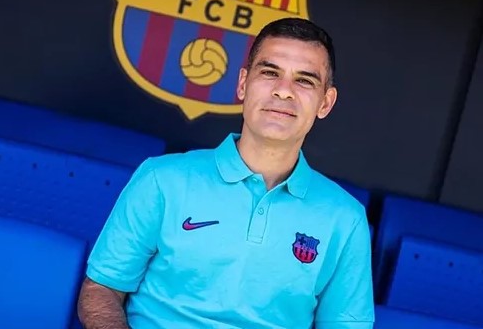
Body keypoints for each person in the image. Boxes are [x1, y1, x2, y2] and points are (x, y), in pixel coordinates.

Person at [77, 17, 374, 329]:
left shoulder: (346, 219)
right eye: (270, 72)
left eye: (304, 80)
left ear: (325, 103)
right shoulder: (161, 179)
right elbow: (101, 289)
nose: (283, 91)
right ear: (243, 83)